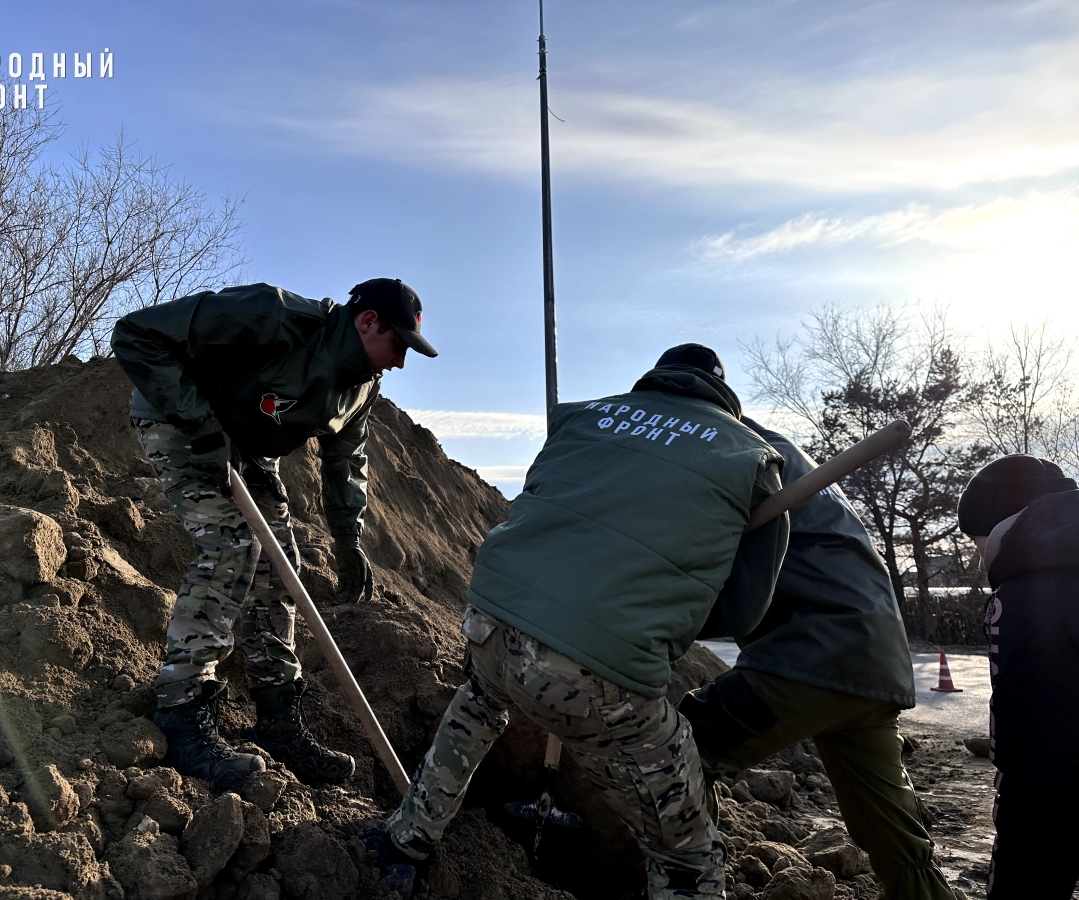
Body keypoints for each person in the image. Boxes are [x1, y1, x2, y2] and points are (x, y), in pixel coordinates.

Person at [369, 344, 790, 899]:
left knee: (478, 702)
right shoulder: (751, 460)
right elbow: (745, 611)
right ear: (721, 391)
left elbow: (543, 506)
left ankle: (404, 843)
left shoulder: (581, 416)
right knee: (687, 853)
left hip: (490, 617)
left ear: (656, 377)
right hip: (605, 671)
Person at [110, 278, 437, 789]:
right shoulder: (275, 315)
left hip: (246, 444)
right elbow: (135, 334)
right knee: (231, 547)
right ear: (367, 321)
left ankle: (277, 718)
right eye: (397, 345)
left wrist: (348, 541)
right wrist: (199, 423)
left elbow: (346, 461)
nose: (398, 362)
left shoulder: (362, 385)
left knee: (282, 569)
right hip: (181, 421)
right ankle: (181, 713)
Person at [678, 420, 956, 900]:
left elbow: (708, 579)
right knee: (893, 834)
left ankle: (682, 883)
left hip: (809, 656)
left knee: (678, 746)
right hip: (874, 662)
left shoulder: (723, 454)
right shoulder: (783, 459)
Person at [956, 454, 1079, 900]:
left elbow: (1029, 725)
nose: (978, 558)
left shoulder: (1026, 595)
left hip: (1049, 802)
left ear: (1004, 524)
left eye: (976, 541)